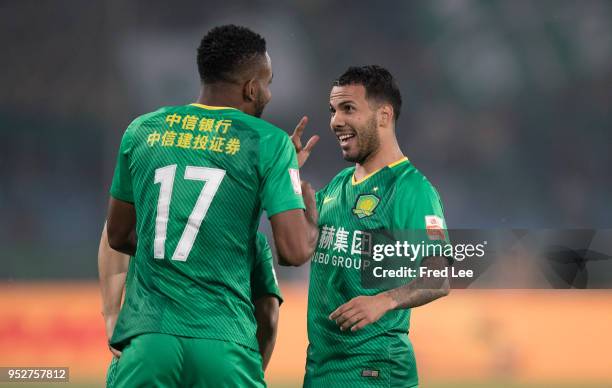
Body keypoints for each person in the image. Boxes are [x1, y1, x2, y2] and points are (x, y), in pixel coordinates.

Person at [104, 24, 318, 387]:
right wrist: (308, 214)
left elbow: (119, 234)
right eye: (267, 82)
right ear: (251, 87)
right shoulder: (268, 142)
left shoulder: (141, 130)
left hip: (148, 340)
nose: (268, 92)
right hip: (224, 343)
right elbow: (294, 251)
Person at [292, 65, 450, 387]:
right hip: (321, 368)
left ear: (383, 115)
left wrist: (386, 300)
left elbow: (441, 275)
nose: (336, 121)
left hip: (375, 370)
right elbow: (296, 248)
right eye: (333, 110)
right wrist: (287, 177)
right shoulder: (338, 186)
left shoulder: (411, 189)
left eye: (348, 108)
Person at [99, 226, 283, 386]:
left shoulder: (151, 211)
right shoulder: (250, 237)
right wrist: (250, 369)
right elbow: (269, 316)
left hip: (148, 344)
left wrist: (112, 316)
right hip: (223, 354)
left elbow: (115, 229)